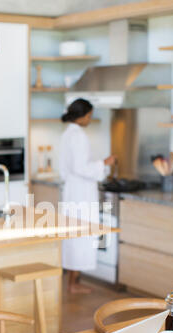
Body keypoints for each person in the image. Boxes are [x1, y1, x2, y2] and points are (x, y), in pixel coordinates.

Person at [59, 98, 116, 294]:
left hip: (73, 191)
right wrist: (104, 163)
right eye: (89, 116)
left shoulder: (68, 134)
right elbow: (81, 167)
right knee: (81, 237)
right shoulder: (78, 136)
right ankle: (73, 284)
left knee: (75, 236)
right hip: (81, 193)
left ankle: (73, 282)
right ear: (82, 116)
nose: (90, 119)